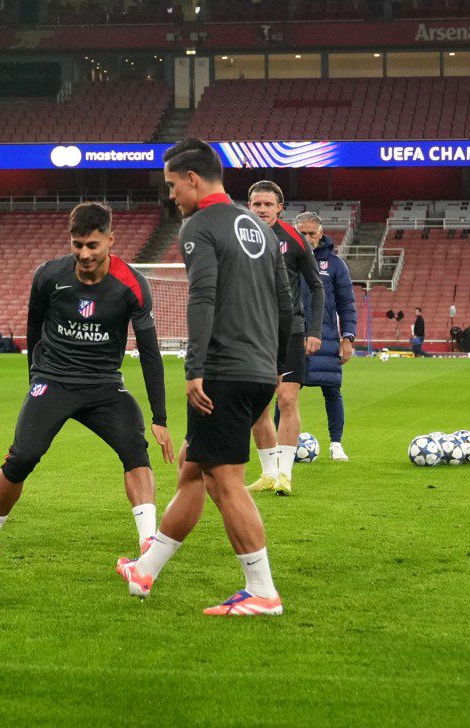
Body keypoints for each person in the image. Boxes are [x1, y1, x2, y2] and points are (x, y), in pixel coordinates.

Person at [116, 139, 292, 616]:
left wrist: (195, 367)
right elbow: (285, 302)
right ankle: (145, 569)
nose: (171, 194)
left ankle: (262, 592)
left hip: (223, 370)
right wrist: (275, 365)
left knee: (223, 480)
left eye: (173, 184)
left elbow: (203, 296)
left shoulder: (199, 226)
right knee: (192, 466)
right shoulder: (261, 228)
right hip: (258, 369)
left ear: (192, 179)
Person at [0, 202, 171, 565]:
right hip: (54, 380)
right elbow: (34, 326)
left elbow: (149, 351)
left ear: (110, 240)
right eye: (77, 244)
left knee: (135, 450)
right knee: (22, 457)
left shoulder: (132, 284)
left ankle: (148, 541)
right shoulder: (49, 275)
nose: (84, 254)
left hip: (104, 384)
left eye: (93, 245)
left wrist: (160, 417)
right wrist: (35, 378)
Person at [244, 180, 321, 495]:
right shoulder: (237, 238)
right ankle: (268, 473)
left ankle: (285, 475)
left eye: (268, 204)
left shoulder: (295, 239)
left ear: (280, 207)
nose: (262, 209)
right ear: (249, 206)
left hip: (289, 331)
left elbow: (316, 285)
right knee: (258, 406)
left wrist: (314, 331)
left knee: (287, 399)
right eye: (257, 204)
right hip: (251, 332)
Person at [298, 212, 356, 461]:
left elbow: (347, 304)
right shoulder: (285, 260)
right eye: (302, 233)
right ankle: (283, 446)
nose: (307, 237)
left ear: (321, 234)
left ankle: (336, 444)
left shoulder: (335, 265)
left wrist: (348, 338)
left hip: (327, 338)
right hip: (293, 337)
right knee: (286, 394)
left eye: (311, 233)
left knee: (332, 391)